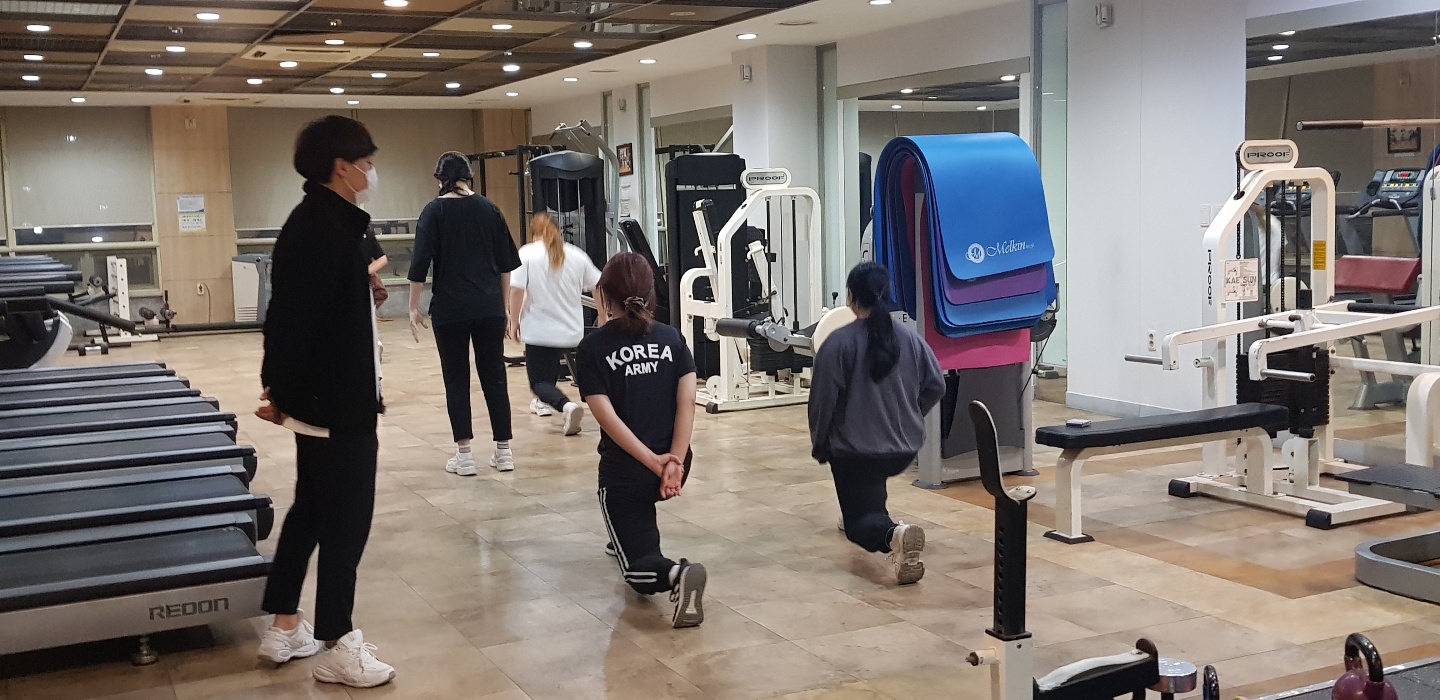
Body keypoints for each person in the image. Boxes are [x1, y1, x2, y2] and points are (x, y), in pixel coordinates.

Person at [253, 115, 394, 687]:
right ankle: (339, 641)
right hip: (336, 401)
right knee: (346, 521)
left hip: (324, 396)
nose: (371, 173)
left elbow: (306, 309)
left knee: (311, 508)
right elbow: (291, 321)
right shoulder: (324, 230)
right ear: (342, 167)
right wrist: (281, 392)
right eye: (366, 163)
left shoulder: (322, 222)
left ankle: (285, 623)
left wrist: (363, 290)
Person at [575, 252, 706, 628]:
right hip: (677, 467)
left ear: (605, 296)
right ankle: (630, 539)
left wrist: (652, 462)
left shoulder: (592, 348)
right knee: (635, 531)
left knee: (637, 572)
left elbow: (608, 419)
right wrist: (674, 461)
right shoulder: (672, 338)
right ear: (651, 294)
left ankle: (676, 574)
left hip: (628, 474)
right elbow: (687, 402)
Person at [808, 261, 944, 586]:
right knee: (868, 489)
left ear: (850, 296)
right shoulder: (912, 340)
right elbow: (936, 385)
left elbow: (822, 403)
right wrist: (910, 416)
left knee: (859, 526)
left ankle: (892, 535)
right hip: (903, 450)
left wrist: (821, 444)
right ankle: (874, 516)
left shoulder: (838, 343)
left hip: (857, 453)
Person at [408, 151, 521, 475]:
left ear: (442, 180)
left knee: (456, 378)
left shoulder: (434, 211)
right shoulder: (490, 209)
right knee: (494, 376)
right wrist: (503, 308)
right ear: (468, 177)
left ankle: (465, 454)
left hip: (450, 309)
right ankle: (504, 451)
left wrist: (413, 307)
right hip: (489, 307)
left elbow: (420, 263)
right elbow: (506, 266)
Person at [509, 212, 601, 436]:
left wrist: (514, 320)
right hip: (572, 332)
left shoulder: (527, 253)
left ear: (534, 234)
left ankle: (565, 405)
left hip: (539, 332)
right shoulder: (577, 255)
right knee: (550, 377)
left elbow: (517, 289)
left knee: (539, 383)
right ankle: (546, 402)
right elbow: (599, 285)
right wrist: (604, 316)